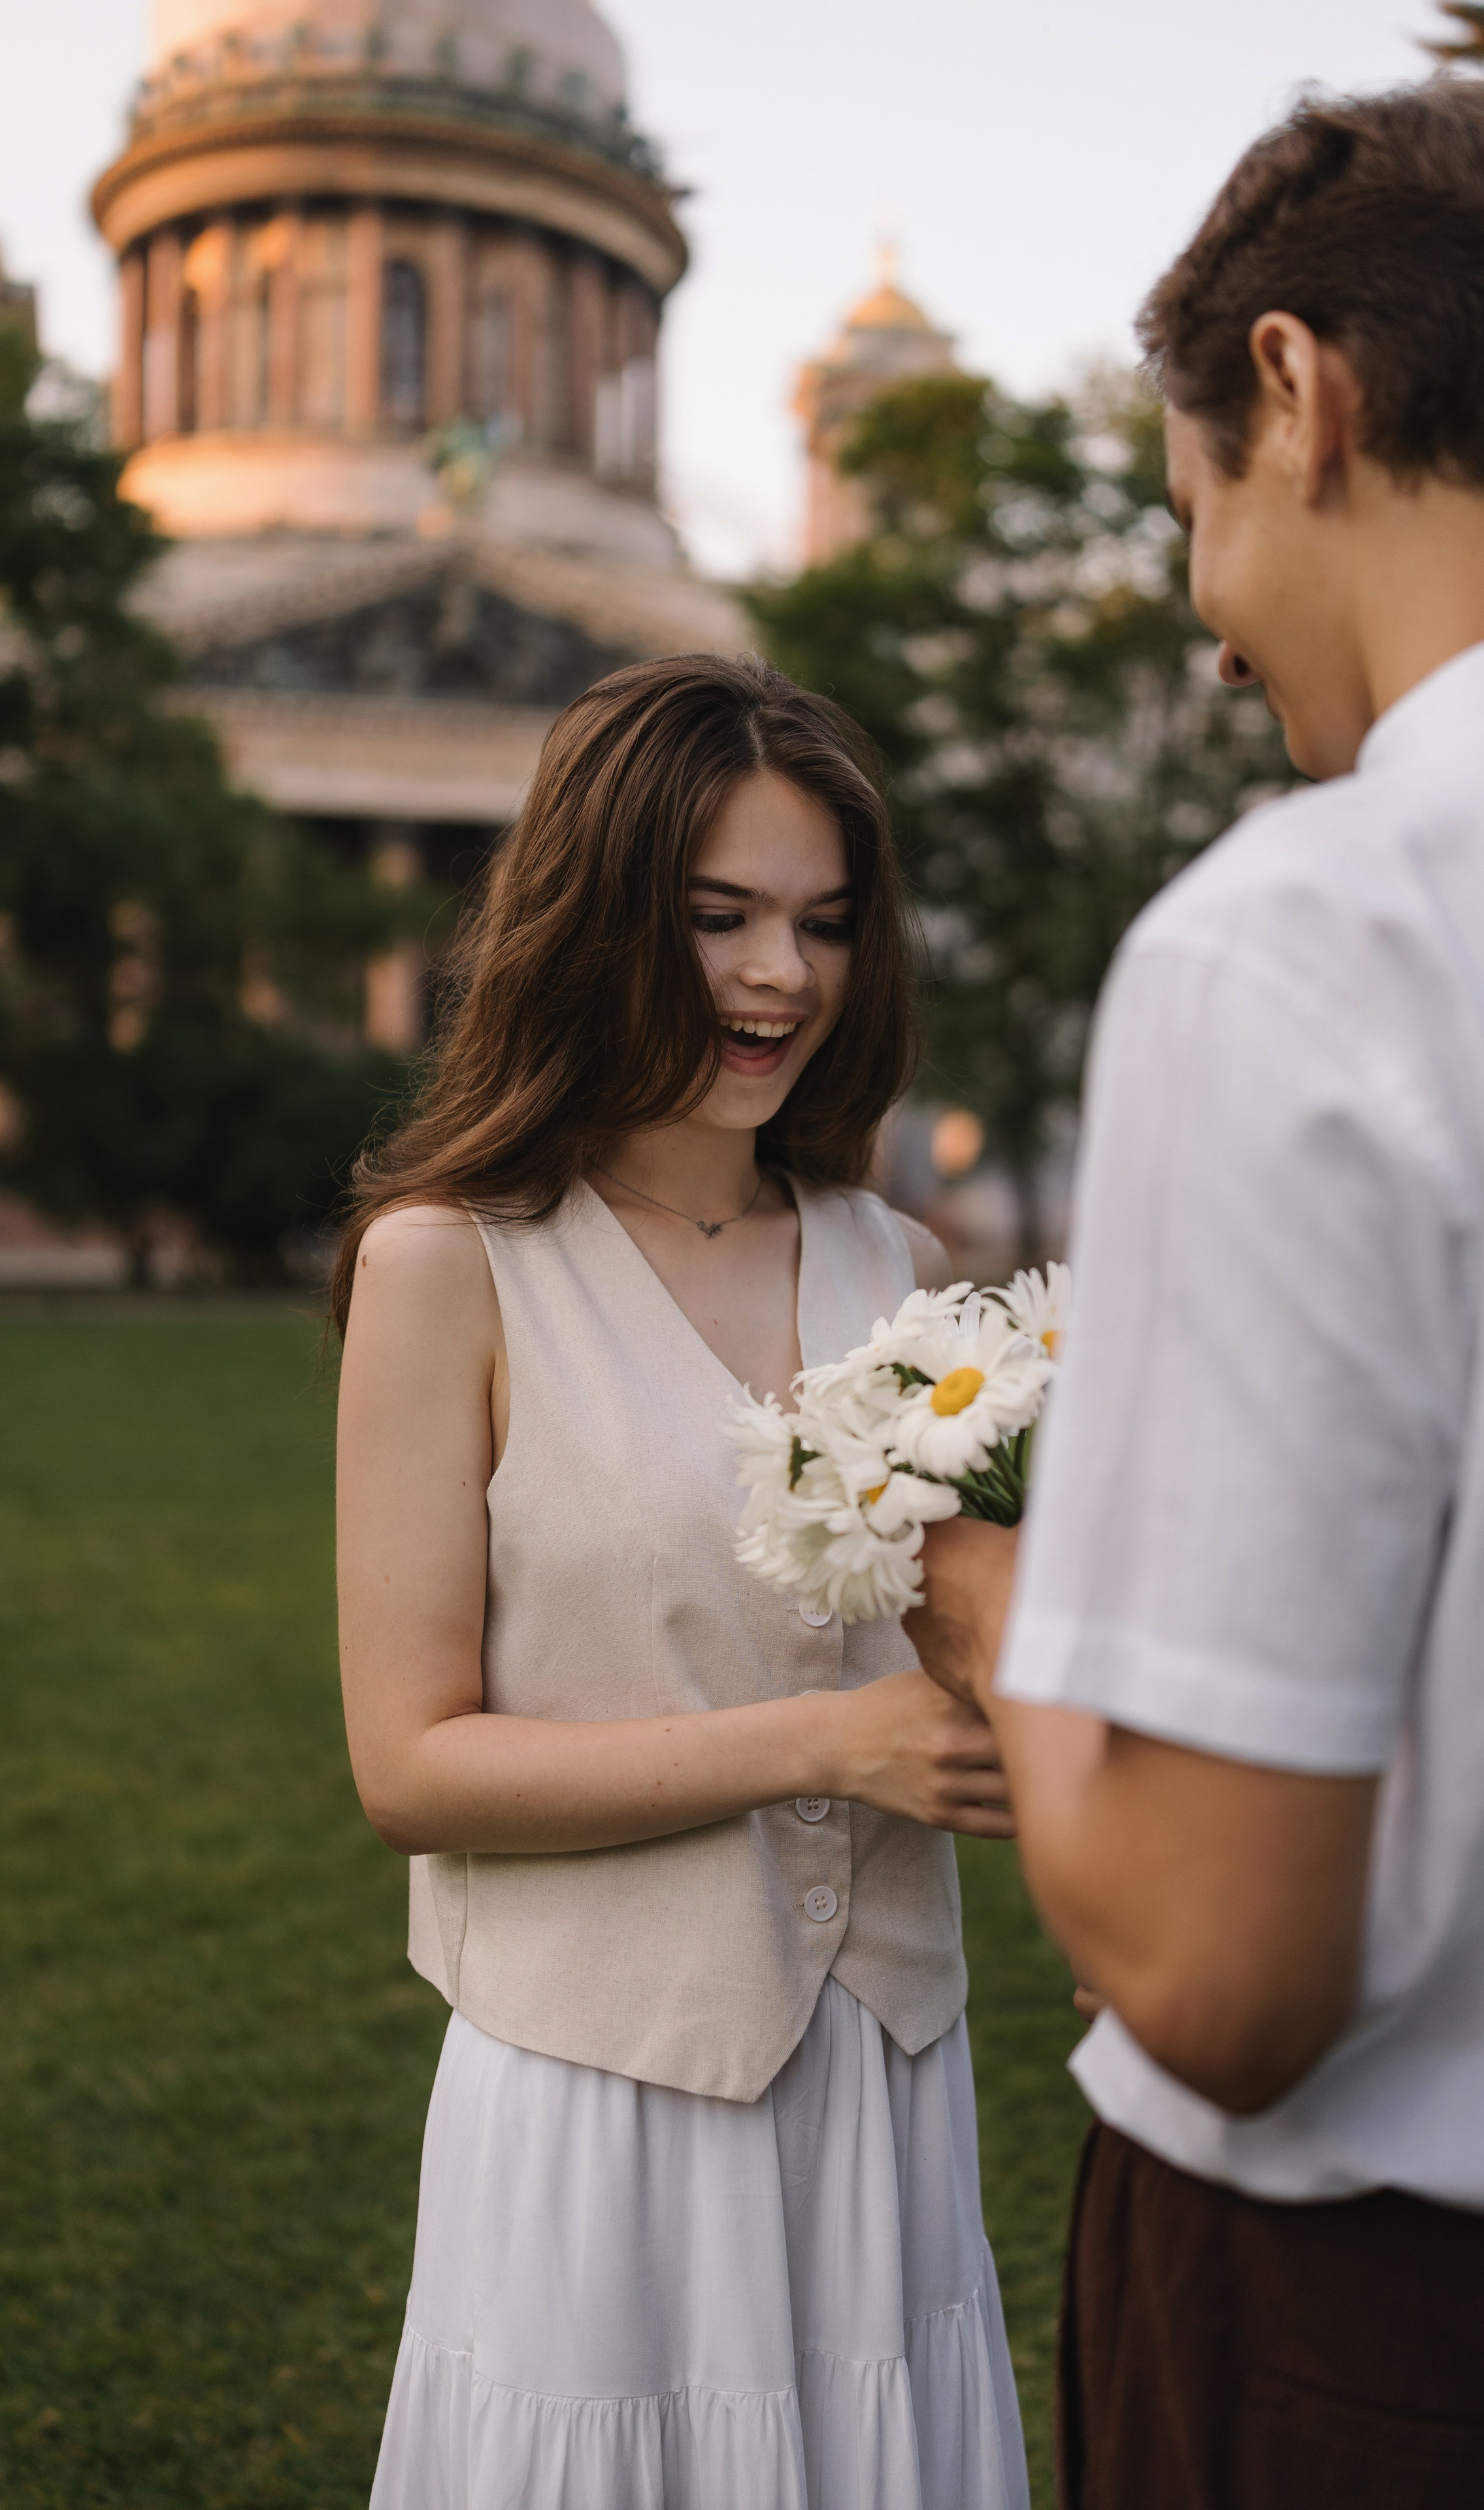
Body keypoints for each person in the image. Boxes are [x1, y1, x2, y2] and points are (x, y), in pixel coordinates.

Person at [906, 78, 1484, 2510]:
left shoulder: (1312, 939)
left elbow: (1231, 1980)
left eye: (1194, 520)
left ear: (1300, 392)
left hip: (1397, 2343)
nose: (1216, 640)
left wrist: (989, 1607)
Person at [332, 654, 1030, 2510]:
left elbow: (973, 1645)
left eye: (822, 923)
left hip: (882, 2100)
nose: (781, 977)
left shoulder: (910, 1270)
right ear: (600, 917)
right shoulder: (449, 1269)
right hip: (605, 2109)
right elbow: (411, 1767)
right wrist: (838, 1744)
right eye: (718, 918)